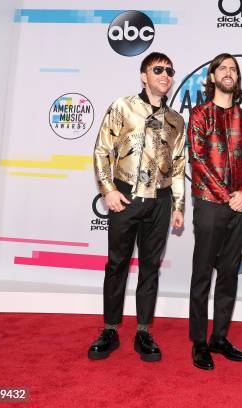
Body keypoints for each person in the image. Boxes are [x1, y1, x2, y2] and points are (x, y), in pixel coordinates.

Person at [88, 52, 186, 362]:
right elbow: (102, 150)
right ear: (144, 75)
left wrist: (179, 205)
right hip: (126, 196)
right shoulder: (123, 106)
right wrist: (108, 189)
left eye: (169, 70)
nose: (165, 74)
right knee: (116, 264)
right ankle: (110, 330)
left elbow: (180, 166)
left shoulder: (177, 120)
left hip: (161, 200)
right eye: (158, 69)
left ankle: (144, 331)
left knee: (150, 267)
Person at [187, 53, 242, 370]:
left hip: (238, 206)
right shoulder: (199, 114)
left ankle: (219, 337)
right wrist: (226, 195)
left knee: (229, 275)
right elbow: (199, 161)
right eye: (223, 68)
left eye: (234, 69)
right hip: (208, 203)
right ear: (212, 77)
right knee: (203, 275)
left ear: (236, 79)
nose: (229, 72)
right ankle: (199, 342)